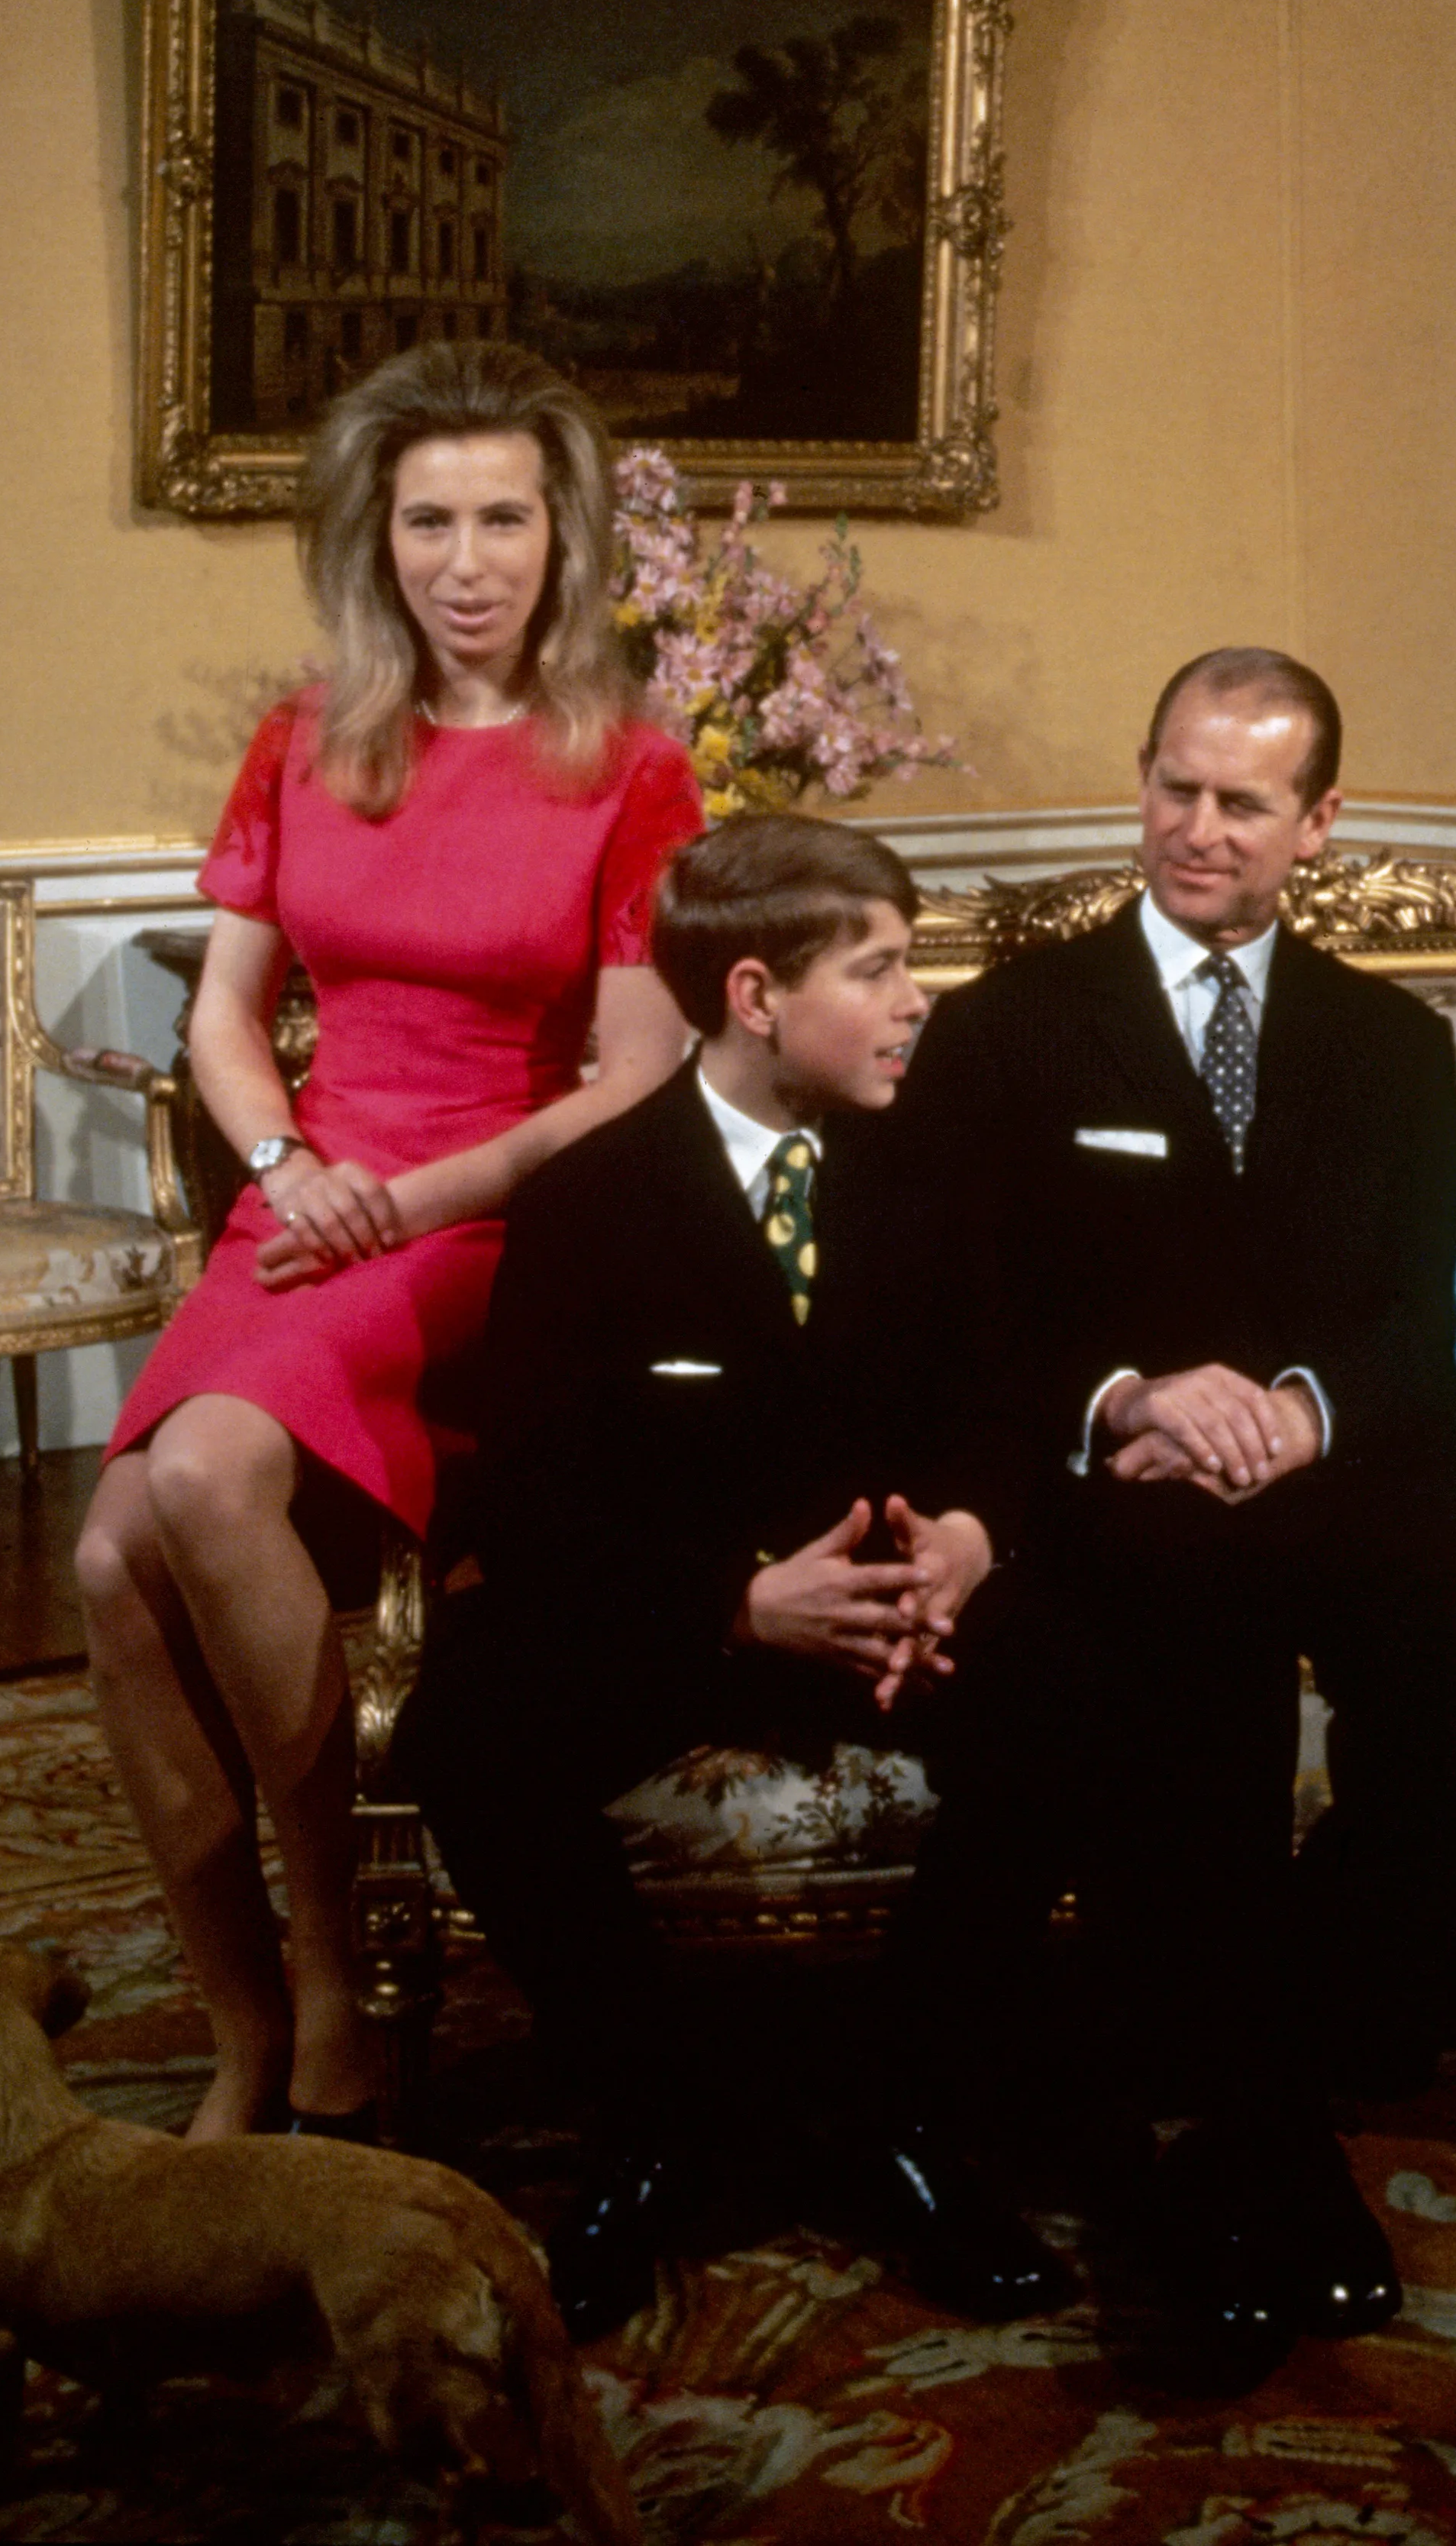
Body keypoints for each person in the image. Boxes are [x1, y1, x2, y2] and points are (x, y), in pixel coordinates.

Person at [839, 647, 1456, 2380]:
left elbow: (1427, 1316)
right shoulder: (1016, 1026)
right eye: (1173, 784)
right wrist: (1127, 1400)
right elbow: (952, 1317)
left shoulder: (1387, 1044)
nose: (1196, 826)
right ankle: (1257, 2136)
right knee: (1195, 1641)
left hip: (1319, 1469)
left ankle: (1304, 2020)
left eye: (1243, 801)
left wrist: (1306, 1413)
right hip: (1116, 1485)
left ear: (1316, 824)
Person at [79, 341, 702, 2143]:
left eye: (503, 516)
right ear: (379, 539)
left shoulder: (632, 769)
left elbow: (631, 1084)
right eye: (428, 519)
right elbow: (223, 1016)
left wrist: (403, 1200)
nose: (466, 560)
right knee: (111, 1567)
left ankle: (344, 1978)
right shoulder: (306, 738)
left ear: (561, 537)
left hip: (487, 1216)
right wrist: (283, 1164)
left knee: (197, 1476)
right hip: (306, 1204)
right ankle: (240, 2021)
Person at [392, 815, 1064, 2339]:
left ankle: (908, 2112)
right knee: (468, 1734)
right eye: (879, 969)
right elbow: (541, 1491)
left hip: (902, 1600)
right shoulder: (592, 1199)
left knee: (1085, 1689)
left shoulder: (941, 1166)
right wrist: (739, 1599)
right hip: (691, 1608)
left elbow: (1002, 1400)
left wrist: (964, 1538)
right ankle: (652, 2117)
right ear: (755, 994)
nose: (916, 1001)